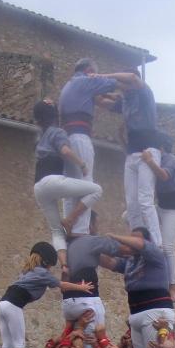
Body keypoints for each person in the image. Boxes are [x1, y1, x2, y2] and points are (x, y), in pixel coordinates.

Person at [0, 241, 93, 348]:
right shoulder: (42, 273)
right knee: (19, 344)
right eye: (50, 265)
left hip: (2, 304)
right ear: (46, 262)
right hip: (13, 305)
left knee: (6, 345)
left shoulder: (27, 271)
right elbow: (62, 285)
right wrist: (81, 287)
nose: (50, 268)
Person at [58, 60, 130, 237]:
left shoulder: (69, 85)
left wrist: (112, 99)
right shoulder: (86, 81)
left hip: (67, 138)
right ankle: (81, 231)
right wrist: (134, 88)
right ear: (89, 70)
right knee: (87, 185)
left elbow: (100, 98)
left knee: (71, 188)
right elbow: (115, 83)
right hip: (80, 138)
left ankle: (68, 230)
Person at [32, 101, 102, 269]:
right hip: (53, 181)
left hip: (39, 187)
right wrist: (82, 164)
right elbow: (65, 151)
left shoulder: (41, 137)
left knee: (56, 231)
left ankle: (64, 265)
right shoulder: (57, 132)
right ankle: (70, 220)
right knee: (96, 190)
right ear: (55, 116)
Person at [104, 70, 162, 246]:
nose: (122, 85)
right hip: (132, 154)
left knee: (145, 200)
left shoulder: (144, 93)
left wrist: (103, 77)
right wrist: (91, 87)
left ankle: (157, 244)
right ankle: (138, 240)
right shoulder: (125, 101)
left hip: (147, 151)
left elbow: (132, 78)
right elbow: (102, 102)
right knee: (132, 204)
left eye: (124, 82)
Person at [100, 229, 174, 348]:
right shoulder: (131, 261)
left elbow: (140, 243)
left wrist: (113, 236)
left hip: (154, 311)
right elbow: (110, 262)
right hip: (136, 313)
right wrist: (92, 248)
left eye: (133, 239)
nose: (130, 243)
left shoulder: (155, 253)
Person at [141, 134, 175, 297]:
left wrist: (149, 161)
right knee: (130, 216)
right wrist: (123, 139)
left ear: (161, 147)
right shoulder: (156, 158)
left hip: (174, 209)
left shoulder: (171, 159)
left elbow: (164, 176)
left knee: (167, 247)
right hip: (160, 206)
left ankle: (173, 285)